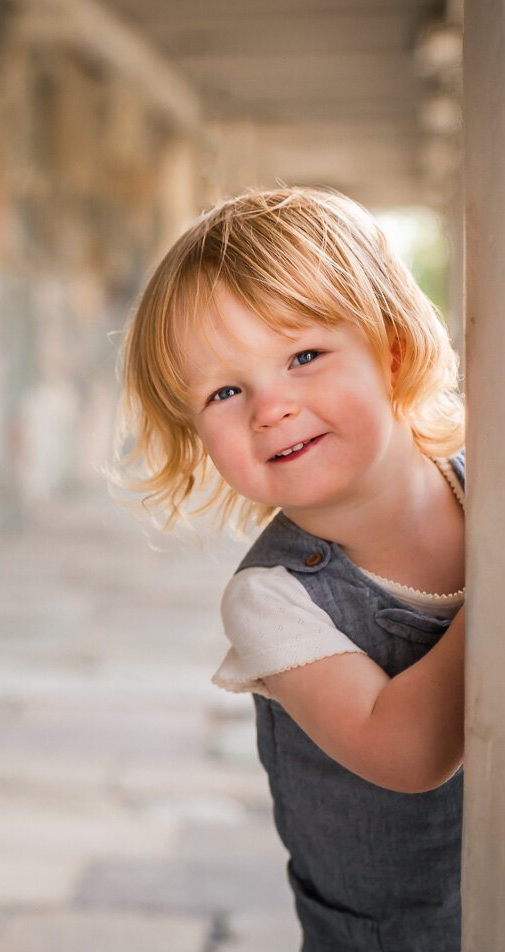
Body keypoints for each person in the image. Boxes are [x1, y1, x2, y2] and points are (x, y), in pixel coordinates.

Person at [115, 187, 466, 951]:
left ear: (392, 351)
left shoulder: (496, 491)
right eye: (225, 391)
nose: (269, 408)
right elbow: (409, 754)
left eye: (303, 356)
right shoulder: (272, 598)